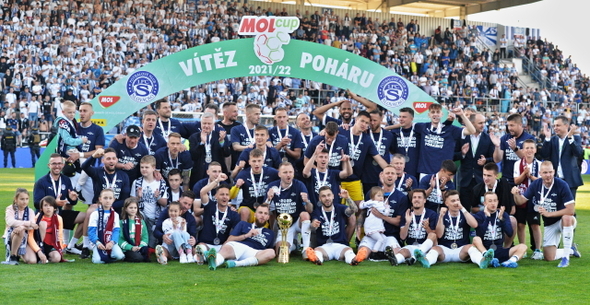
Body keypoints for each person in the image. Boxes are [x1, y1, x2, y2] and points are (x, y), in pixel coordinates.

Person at [512, 161, 581, 268]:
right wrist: (516, 194)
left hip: (563, 220)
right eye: (545, 172)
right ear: (540, 173)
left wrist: (549, 214)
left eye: (550, 172)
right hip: (550, 224)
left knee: (567, 218)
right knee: (549, 257)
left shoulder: (562, 184)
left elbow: (571, 210)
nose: (548, 175)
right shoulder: (536, 184)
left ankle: (566, 258)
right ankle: (571, 250)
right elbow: (520, 201)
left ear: (554, 172)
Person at [80, 147, 130, 258]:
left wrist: (108, 205)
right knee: (90, 212)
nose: (111, 161)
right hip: (98, 208)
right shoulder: (97, 172)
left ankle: (123, 244)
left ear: (117, 160)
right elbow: (84, 166)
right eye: (108, 159)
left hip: (116, 208)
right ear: (103, 160)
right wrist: (93, 156)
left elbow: (125, 199)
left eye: (113, 158)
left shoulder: (123, 176)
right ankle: (85, 246)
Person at [33, 153, 85, 255]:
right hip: (45, 218)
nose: (57, 166)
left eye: (59, 163)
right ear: (49, 165)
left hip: (59, 215)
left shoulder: (66, 180)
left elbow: (71, 201)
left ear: (63, 165)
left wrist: (73, 199)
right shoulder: (41, 182)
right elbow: (36, 203)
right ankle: (43, 247)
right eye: (54, 163)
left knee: (87, 217)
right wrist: (54, 204)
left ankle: (71, 245)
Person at [355, 165, 409, 265]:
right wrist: (358, 228)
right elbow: (363, 212)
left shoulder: (401, 197)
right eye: (387, 173)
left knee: (396, 252)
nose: (390, 176)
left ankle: (384, 255)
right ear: (382, 175)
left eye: (392, 173)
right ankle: (358, 260)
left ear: (396, 176)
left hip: (389, 235)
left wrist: (382, 216)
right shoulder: (372, 192)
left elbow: (398, 221)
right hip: (372, 234)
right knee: (363, 252)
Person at [413, 191, 478, 268]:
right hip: (445, 250)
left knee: (471, 248)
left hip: (460, 250)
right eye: (453, 201)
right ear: (447, 203)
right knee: (435, 249)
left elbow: (474, 224)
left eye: (458, 200)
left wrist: (463, 208)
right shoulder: (442, 215)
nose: (456, 203)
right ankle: (427, 261)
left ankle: (482, 262)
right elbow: (439, 235)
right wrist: (441, 216)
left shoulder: (464, 214)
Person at [206, 203, 276, 270]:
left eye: (265, 213)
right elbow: (230, 239)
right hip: (239, 246)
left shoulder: (270, 233)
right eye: (260, 213)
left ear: (268, 217)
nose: (262, 216)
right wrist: (247, 235)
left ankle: (236, 263)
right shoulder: (243, 224)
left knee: (271, 252)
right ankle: (215, 261)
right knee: (227, 248)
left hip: (255, 252)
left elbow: (267, 251)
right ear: (255, 214)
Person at [265, 162, 313, 257]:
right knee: (281, 253)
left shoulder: (299, 185)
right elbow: (264, 210)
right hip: (284, 226)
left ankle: (306, 249)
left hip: (297, 222)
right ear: (279, 174)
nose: (288, 175)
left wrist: (307, 201)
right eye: (285, 172)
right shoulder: (272, 186)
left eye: (290, 172)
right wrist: (268, 199)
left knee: (305, 215)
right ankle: (294, 244)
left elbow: (310, 210)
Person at [414, 105, 475, 178]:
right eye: (433, 112)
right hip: (425, 172)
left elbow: (472, 131)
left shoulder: (451, 129)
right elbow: (405, 124)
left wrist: (462, 115)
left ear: (442, 114)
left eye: (438, 112)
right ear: (429, 115)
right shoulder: (422, 127)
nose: (435, 114)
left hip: (444, 173)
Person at [471, 192, 527, 268]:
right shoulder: (479, 215)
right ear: (484, 203)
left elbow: (510, 233)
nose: (493, 203)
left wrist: (501, 220)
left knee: (523, 246)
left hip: (499, 249)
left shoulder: (503, 214)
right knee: (476, 239)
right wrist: (487, 218)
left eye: (495, 201)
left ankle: (509, 262)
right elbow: (481, 234)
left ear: (498, 202)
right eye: (490, 201)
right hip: (485, 249)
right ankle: (488, 257)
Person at [305, 186, 359, 265]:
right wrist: (313, 225)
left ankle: (354, 260)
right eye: (323, 196)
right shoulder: (317, 212)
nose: (327, 198)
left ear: (333, 196)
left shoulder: (340, 208)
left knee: (348, 252)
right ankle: (316, 259)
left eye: (329, 195)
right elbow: (313, 227)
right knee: (318, 251)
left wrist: (347, 198)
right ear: (320, 199)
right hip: (324, 246)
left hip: (340, 245)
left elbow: (354, 210)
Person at [454, 113, 495, 208]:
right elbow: (453, 156)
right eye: (480, 123)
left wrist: (486, 161)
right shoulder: (462, 137)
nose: (483, 125)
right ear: (471, 123)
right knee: (464, 210)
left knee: (480, 211)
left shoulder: (488, 138)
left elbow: (493, 159)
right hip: (464, 180)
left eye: (484, 122)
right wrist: (462, 154)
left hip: (481, 180)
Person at [471, 162, 516, 247]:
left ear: (496, 175)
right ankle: (481, 246)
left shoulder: (504, 185)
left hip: (501, 216)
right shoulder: (477, 188)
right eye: (484, 175)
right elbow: (473, 209)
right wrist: (485, 209)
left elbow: (512, 210)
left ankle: (507, 247)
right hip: (484, 216)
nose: (485, 178)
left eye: (489, 176)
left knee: (513, 220)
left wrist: (501, 214)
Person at [388, 189, 438, 266]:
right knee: (404, 251)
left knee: (432, 235)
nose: (416, 199)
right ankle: (396, 260)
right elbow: (402, 237)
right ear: (411, 200)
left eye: (419, 197)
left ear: (424, 200)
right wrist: (407, 223)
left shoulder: (431, 214)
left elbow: (434, 237)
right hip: (412, 246)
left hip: (426, 247)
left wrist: (427, 227)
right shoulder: (407, 214)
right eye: (414, 197)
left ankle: (415, 257)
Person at [194, 182, 240, 264]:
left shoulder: (234, 214)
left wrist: (225, 245)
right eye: (222, 194)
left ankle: (208, 257)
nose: (224, 197)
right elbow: (202, 192)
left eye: (227, 194)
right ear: (216, 196)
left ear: (229, 197)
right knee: (200, 247)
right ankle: (209, 256)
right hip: (206, 244)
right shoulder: (210, 206)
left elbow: (236, 233)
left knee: (232, 251)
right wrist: (217, 180)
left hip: (223, 245)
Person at [68, 102, 105, 205]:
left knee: (92, 204)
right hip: (73, 171)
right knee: (68, 203)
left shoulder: (97, 130)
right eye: (80, 111)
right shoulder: (73, 128)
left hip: (89, 173)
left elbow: (98, 151)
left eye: (85, 111)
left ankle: (78, 188)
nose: (82, 114)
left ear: (91, 113)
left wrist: (79, 155)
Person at [513, 139, 543, 258]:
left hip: (535, 199)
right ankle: (522, 248)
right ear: (523, 150)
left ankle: (537, 250)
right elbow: (516, 181)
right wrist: (524, 173)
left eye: (531, 148)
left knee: (535, 224)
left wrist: (530, 176)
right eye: (527, 148)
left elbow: (542, 181)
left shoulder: (540, 164)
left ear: (535, 150)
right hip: (521, 197)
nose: (529, 150)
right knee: (521, 224)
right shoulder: (517, 164)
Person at [541, 116, 583, 198]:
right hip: (554, 180)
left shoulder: (575, 138)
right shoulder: (552, 139)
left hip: (570, 180)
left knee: (569, 208)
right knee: (554, 208)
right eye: (554, 126)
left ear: (566, 126)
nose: (555, 128)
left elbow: (578, 153)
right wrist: (547, 138)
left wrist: (570, 137)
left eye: (558, 125)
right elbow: (544, 155)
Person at [130, 155, 168, 249]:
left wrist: (158, 197)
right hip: (142, 215)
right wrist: (138, 197)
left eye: (147, 167)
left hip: (155, 217)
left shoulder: (161, 183)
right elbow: (131, 202)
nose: (144, 170)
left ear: (153, 168)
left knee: (151, 245)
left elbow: (165, 203)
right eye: (142, 167)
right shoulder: (137, 182)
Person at [232, 148, 279, 223]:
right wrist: (236, 186)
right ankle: (244, 232)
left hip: (265, 208)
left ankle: (270, 232)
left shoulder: (272, 172)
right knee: (244, 211)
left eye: (259, 161)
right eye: (254, 161)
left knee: (272, 209)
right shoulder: (243, 174)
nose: (256, 164)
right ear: (249, 162)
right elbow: (232, 196)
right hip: (249, 208)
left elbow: (284, 177)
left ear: (263, 161)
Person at [154, 191, 198, 265]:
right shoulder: (167, 213)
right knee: (163, 249)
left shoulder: (190, 218)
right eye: (185, 203)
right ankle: (163, 257)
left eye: (189, 205)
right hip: (170, 244)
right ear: (179, 200)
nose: (186, 206)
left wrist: (194, 240)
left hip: (184, 245)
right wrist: (163, 236)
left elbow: (192, 234)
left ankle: (197, 256)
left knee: (192, 246)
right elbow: (156, 231)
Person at [491, 113, 535, 186]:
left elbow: (528, 159)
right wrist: (497, 146)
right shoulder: (504, 138)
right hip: (507, 179)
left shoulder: (529, 139)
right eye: (508, 125)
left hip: (523, 179)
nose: (509, 128)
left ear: (520, 125)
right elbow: (497, 160)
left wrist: (515, 148)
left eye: (512, 125)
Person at [188, 112, 230, 186]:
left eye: (209, 123)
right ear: (200, 123)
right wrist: (201, 143)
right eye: (204, 123)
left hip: (217, 175)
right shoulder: (194, 137)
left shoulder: (220, 135)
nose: (206, 126)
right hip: (199, 175)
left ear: (213, 124)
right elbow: (193, 156)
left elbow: (227, 153)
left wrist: (221, 142)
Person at [362, 109, 396, 194]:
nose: (372, 123)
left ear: (381, 120)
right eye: (370, 120)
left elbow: (394, 152)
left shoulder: (389, 135)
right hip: (367, 176)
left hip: (383, 176)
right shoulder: (363, 134)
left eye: (375, 120)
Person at [88, 189, 125, 264]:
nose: (108, 200)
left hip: (110, 241)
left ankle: (109, 254)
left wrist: (112, 242)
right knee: (97, 261)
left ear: (114, 200)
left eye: (110, 198)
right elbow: (91, 231)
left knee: (120, 256)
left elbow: (116, 230)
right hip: (98, 241)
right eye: (105, 198)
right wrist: (97, 242)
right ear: (100, 199)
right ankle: (97, 254)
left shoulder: (115, 215)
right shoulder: (95, 214)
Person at [2, 188, 38, 265]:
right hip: (11, 235)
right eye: (22, 199)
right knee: (20, 231)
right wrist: (28, 223)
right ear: (16, 199)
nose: (25, 201)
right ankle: (13, 256)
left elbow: (33, 226)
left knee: (32, 261)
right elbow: (11, 222)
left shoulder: (30, 211)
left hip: (25, 239)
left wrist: (22, 227)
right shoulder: (10, 209)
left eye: (27, 199)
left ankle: (19, 254)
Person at [28, 196, 66, 263]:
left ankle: (46, 257)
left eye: (51, 205)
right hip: (38, 242)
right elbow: (30, 236)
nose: (48, 208)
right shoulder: (37, 218)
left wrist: (60, 249)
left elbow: (59, 235)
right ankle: (39, 253)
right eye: (45, 205)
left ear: (54, 208)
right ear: (41, 208)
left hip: (51, 244)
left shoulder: (58, 218)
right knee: (43, 224)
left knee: (56, 258)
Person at [389, 107, 420, 177]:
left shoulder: (418, 132)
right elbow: (392, 150)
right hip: (399, 170)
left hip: (416, 170)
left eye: (404, 117)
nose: (401, 119)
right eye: (400, 116)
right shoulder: (394, 133)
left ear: (411, 119)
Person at [118, 197, 150, 262]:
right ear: (126, 209)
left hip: (139, 246)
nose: (133, 210)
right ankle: (124, 257)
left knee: (146, 253)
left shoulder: (141, 222)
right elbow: (120, 239)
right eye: (131, 208)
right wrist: (131, 247)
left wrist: (140, 246)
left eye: (135, 208)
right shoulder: (122, 223)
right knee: (138, 258)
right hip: (128, 248)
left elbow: (145, 237)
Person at [359, 187, 389, 254]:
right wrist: (387, 207)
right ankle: (374, 252)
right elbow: (385, 213)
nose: (381, 198)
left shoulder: (370, 202)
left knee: (383, 239)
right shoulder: (378, 204)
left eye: (382, 196)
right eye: (378, 196)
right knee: (380, 239)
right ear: (373, 196)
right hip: (373, 227)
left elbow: (361, 206)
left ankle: (380, 251)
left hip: (369, 227)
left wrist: (362, 203)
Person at [231, 103, 261, 168]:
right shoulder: (236, 129)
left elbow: (268, 143)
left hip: (258, 166)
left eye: (259, 114)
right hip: (242, 166)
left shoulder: (261, 129)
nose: (259, 117)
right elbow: (236, 147)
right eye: (256, 114)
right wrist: (249, 147)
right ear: (248, 115)